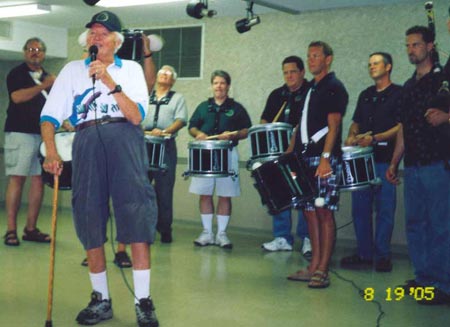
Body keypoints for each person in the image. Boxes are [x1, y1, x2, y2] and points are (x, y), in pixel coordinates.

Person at [40, 11, 159, 326]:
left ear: (116, 42)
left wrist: (109, 80)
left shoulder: (131, 70)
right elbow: (49, 117)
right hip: (87, 140)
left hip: (125, 139)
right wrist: (51, 151)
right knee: (89, 216)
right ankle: (101, 299)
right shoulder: (71, 71)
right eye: (92, 32)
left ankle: (143, 301)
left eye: (103, 33)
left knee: (135, 215)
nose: (96, 38)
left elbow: (137, 117)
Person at [386, 25, 450, 305]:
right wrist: (394, 161)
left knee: (441, 225)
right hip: (412, 165)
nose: (411, 50)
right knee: (415, 223)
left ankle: (443, 284)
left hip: (438, 163)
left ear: (430, 46)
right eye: (408, 45)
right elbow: (404, 128)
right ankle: (423, 278)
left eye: (416, 45)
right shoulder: (408, 86)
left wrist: (447, 117)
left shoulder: (444, 80)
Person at [286, 41, 348, 288]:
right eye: (309, 56)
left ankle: (323, 268)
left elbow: (333, 127)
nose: (311, 60)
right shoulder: (310, 89)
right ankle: (312, 266)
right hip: (303, 159)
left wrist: (325, 160)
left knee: (324, 213)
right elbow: (298, 128)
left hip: (324, 159)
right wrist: (289, 158)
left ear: (328, 59)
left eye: (316, 56)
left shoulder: (334, 87)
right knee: (309, 214)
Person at [340, 52, 402, 272]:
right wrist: (351, 135)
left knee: (385, 210)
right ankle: (364, 254)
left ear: (388, 67)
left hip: (386, 161)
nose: (371, 67)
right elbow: (356, 122)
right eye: (369, 64)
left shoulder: (399, 93)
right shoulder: (365, 94)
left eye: (376, 64)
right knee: (360, 210)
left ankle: (383, 255)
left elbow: (401, 127)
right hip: (361, 163)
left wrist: (375, 138)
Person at [188, 70, 252, 249]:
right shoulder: (202, 107)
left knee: (225, 195)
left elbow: (247, 130)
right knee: (205, 194)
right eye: (216, 83)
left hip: (228, 153)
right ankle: (207, 233)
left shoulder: (237, 108)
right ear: (212, 86)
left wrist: (233, 135)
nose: (219, 86)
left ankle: (222, 234)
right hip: (205, 154)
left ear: (228, 86)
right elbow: (192, 126)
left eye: (222, 83)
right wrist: (198, 133)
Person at [3, 37, 55, 246]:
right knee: (17, 178)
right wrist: (44, 85)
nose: (35, 52)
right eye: (31, 49)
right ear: (25, 52)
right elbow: (17, 97)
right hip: (19, 133)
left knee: (38, 180)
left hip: (42, 135)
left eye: (39, 49)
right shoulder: (16, 74)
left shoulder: (48, 76)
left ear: (44, 53)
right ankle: (11, 230)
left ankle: (30, 228)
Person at [259, 56, 311, 257]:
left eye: (293, 71)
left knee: (304, 196)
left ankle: (307, 238)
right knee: (280, 195)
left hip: (302, 154)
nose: (289, 76)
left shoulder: (310, 92)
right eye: (286, 72)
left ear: (302, 72)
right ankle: (282, 237)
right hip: (277, 154)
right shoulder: (277, 95)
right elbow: (265, 120)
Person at [142, 65, 188, 243]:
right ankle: (143, 227)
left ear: (173, 80)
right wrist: (142, 131)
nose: (164, 75)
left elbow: (181, 120)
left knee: (164, 190)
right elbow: (136, 116)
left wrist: (164, 131)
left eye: (169, 73)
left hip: (166, 146)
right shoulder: (146, 95)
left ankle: (165, 229)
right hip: (144, 145)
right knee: (142, 188)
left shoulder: (178, 98)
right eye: (162, 72)